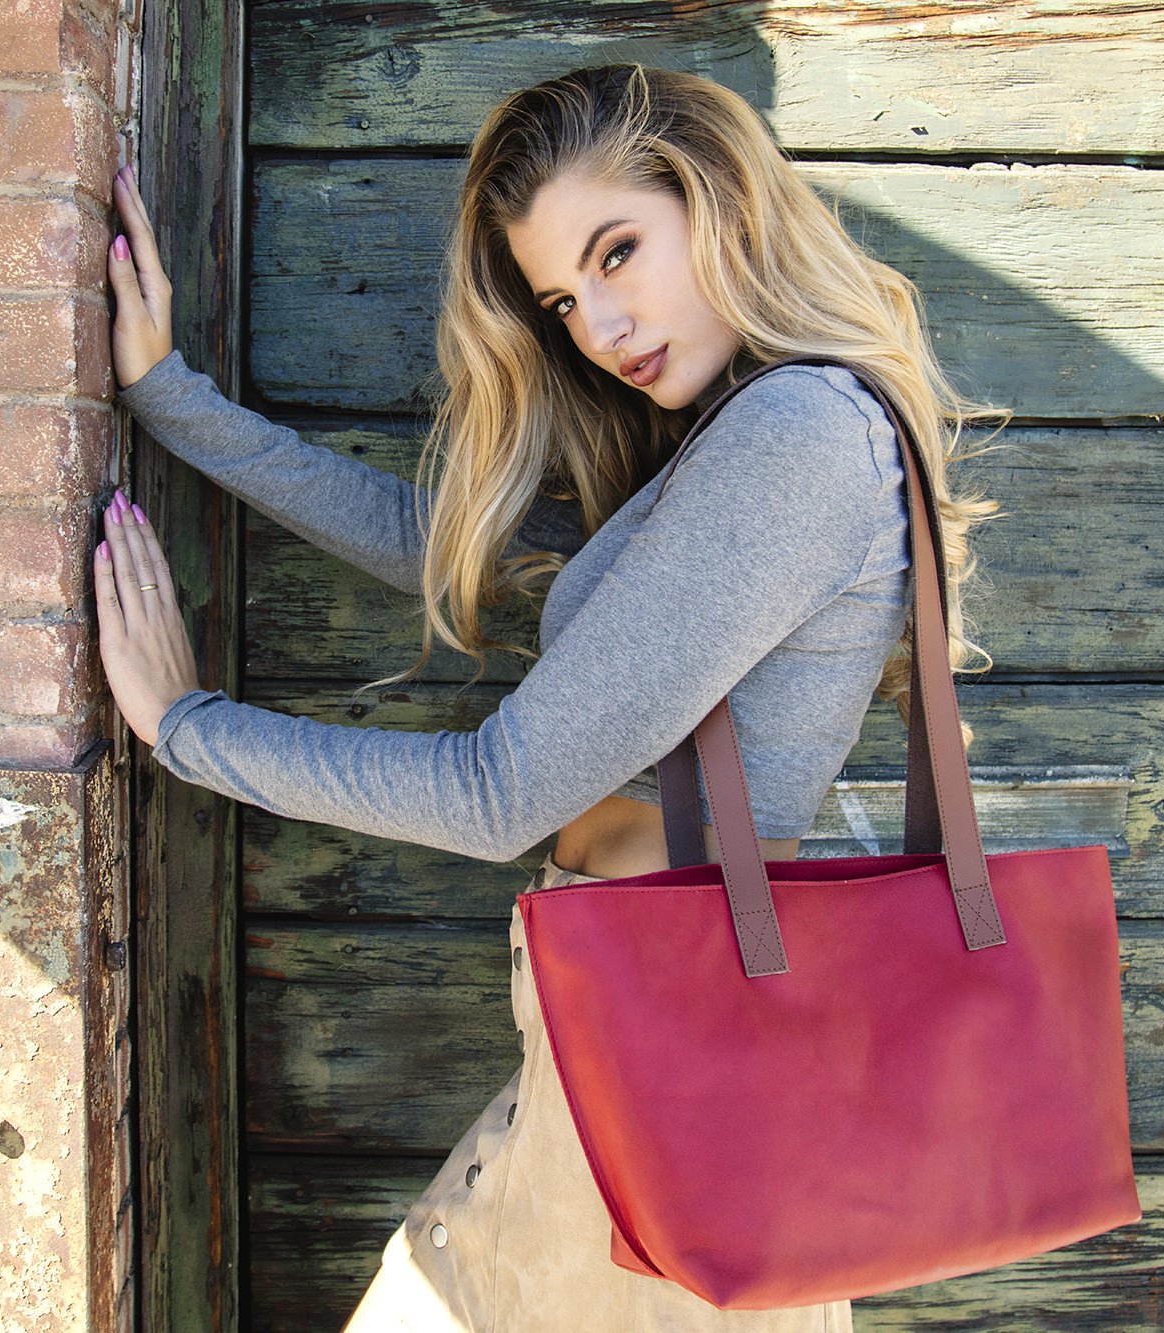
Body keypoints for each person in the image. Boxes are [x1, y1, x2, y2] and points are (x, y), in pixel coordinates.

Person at [95, 63, 1003, 1333]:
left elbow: (498, 792)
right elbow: (463, 551)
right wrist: (173, 404)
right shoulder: (749, 430)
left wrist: (188, 731)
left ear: (722, 199)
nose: (599, 327)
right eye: (566, 297)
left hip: (677, 1061)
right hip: (643, 1046)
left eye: (619, 251)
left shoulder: (795, 435)